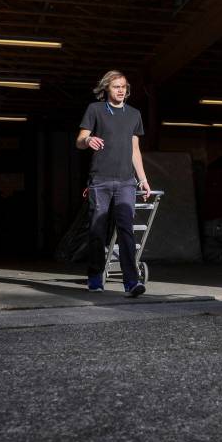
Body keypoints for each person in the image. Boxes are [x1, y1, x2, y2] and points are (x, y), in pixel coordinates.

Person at [76, 70, 152, 297]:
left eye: (124, 87)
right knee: (97, 231)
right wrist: (88, 139)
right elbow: (80, 141)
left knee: (126, 231)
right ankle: (95, 276)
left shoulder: (134, 114)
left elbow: (135, 150)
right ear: (106, 89)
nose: (121, 90)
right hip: (100, 181)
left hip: (126, 182)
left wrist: (143, 180)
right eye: (116, 86)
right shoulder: (95, 110)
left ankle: (131, 282)